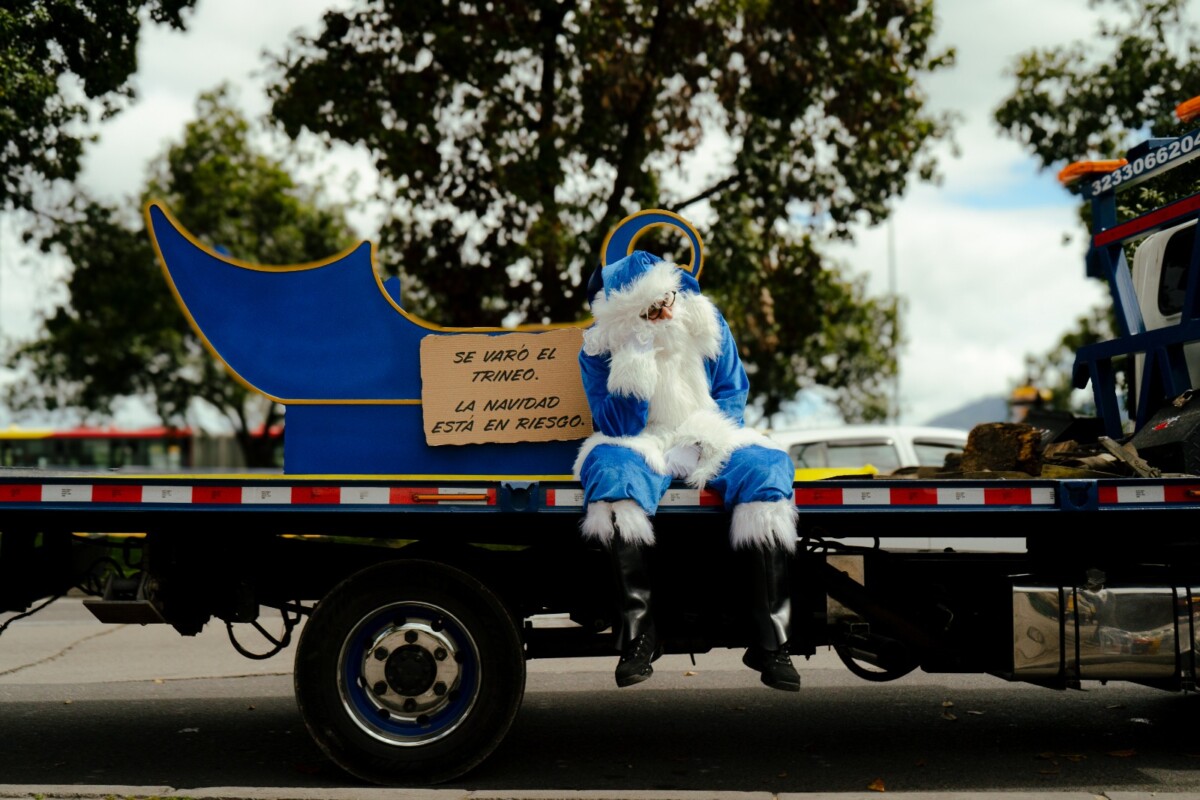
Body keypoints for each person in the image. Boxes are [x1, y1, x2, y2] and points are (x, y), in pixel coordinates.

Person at [574, 249, 801, 692]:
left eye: (667, 301)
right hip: (643, 440)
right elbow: (615, 426)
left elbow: (732, 393)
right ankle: (640, 638)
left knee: (768, 469)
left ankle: (771, 642)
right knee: (610, 474)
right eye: (650, 309)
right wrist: (634, 364)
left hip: (707, 432)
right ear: (628, 315)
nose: (664, 313)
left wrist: (701, 441)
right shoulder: (601, 348)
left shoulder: (705, 322)